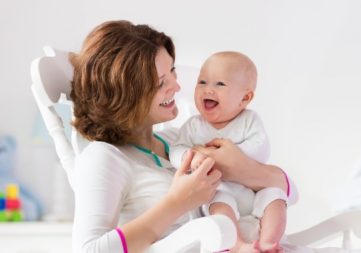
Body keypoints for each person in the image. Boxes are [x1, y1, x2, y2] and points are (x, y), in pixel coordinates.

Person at [70, 20, 294, 253]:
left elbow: (291, 193)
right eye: (160, 83)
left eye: (172, 72)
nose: (176, 87)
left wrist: (243, 169)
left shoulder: (178, 139)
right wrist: (177, 203)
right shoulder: (105, 157)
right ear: (124, 95)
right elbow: (88, 250)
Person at [170, 51, 296, 252]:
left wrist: (232, 157)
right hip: (220, 189)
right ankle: (236, 245)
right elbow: (176, 149)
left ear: (245, 97)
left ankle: (269, 242)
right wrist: (190, 157)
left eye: (219, 84)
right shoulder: (193, 125)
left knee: (276, 196)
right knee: (218, 201)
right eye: (202, 82)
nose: (208, 89)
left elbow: (261, 147)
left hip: (254, 190)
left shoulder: (249, 120)